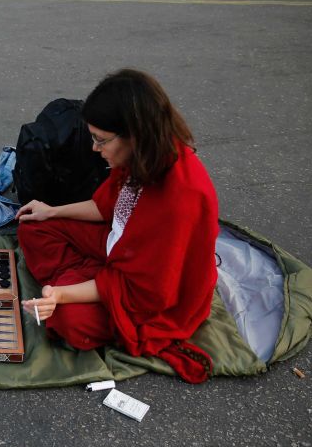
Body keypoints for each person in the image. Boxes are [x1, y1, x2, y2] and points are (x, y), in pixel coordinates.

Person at [16, 70, 219, 383]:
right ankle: (77, 280)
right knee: (33, 226)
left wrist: (63, 296)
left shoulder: (181, 196)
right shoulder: (141, 159)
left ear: (134, 135)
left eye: (101, 140)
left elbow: (146, 293)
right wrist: (51, 211)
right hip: (118, 252)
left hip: (146, 293)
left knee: (69, 320)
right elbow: (103, 207)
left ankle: (72, 284)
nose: (95, 149)